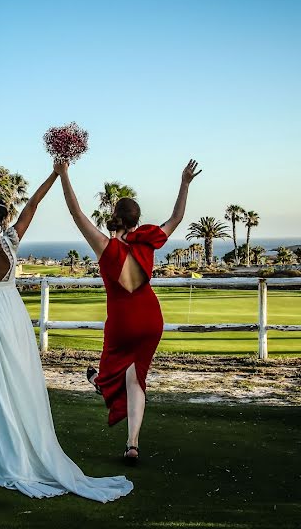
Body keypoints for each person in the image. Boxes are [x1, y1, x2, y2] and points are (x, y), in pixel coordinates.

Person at [0, 155, 133, 502]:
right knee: (17, 376)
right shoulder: (11, 240)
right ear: (4, 218)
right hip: (10, 310)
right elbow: (34, 203)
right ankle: (21, 444)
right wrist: (56, 174)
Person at [56, 159, 201, 464]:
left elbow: (76, 213)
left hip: (122, 320)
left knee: (110, 369)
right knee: (136, 380)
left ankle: (99, 382)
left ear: (114, 218)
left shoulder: (105, 246)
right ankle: (132, 444)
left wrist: (63, 174)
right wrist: (184, 182)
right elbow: (176, 217)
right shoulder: (148, 240)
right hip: (150, 317)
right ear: (137, 219)